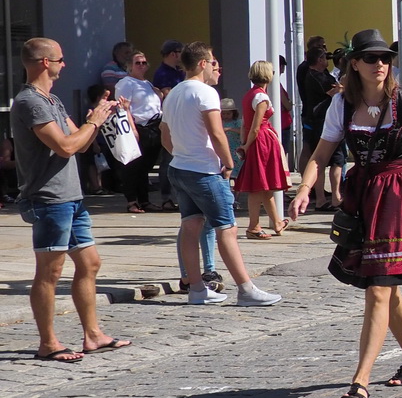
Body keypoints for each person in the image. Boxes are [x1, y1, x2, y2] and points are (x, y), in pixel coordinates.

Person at [289, 29, 402, 398]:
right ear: (355, 64)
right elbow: (321, 155)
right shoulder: (342, 105)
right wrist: (305, 188)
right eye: (371, 58)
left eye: (385, 57)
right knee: (387, 283)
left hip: (398, 195)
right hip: (362, 197)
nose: (380, 64)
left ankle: (360, 379)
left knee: (379, 286)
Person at [13, 38, 132, 363]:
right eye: (60, 59)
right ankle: (48, 343)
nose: (64, 64)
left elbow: (79, 141)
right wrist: (93, 122)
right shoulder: (30, 103)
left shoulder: (51, 100)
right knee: (50, 273)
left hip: (71, 197)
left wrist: (104, 116)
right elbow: (65, 145)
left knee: (90, 262)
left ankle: (93, 335)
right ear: (43, 63)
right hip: (49, 198)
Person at [160, 44, 282, 307]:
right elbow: (217, 133)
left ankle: (196, 288)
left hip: (180, 167)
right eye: (213, 61)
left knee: (191, 227)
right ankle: (246, 289)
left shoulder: (173, 95)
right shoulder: (205, 92)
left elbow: (165, 135)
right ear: (202, 63)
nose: (217, 67)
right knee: (227, 228)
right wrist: (228, 163)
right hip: (204, 170)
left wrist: (180, 153)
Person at [234, 60, 290, 238]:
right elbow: (256, 127)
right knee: (259, 186)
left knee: (264, 186)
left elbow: (245, 124)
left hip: (255, 141)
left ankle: (277, 223)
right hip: (262, 141)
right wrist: (247, 145)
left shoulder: (248, 95)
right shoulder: (261, 97)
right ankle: (254, 226)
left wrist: (244, 144)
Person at [115, 48, 164, 212]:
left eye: (144, 62)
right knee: (133, 166)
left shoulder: (146, 83)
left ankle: (144, 200)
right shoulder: (126, 83)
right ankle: (132, 200)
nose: (142, 65)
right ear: (130, 66)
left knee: (145, 167)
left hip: (154, 126)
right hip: (139, 126)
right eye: (138, 63)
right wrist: (132, 130)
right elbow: (124, 108)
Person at [296, 39, 342, 211]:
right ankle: (321, 196)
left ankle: (330, 195)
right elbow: (331, 91)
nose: (326, 55)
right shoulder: (313, 76)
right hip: (319, 120)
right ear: (319, 59)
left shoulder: (319, 74)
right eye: (323, 52)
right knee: (320, 158)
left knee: (333, 159)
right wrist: (338, 90)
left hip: (321, 119)